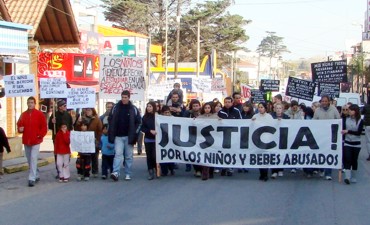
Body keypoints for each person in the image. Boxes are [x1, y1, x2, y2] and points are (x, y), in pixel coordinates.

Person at [109, 90, 141, 181]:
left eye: (125, 97)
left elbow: (139, 122)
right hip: (118, 136)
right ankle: (115, 172)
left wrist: (135, 133)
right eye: (122, 97)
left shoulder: (133, 109)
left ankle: (128, 173)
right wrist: (111, 131)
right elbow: (110, 119)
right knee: (118, 155)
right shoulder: (115, 108)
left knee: (128, 156)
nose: (123, 99)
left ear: (129, 98)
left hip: (129, 136)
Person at [17, 97, 48, 187]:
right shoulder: (23, 115)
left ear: (35, 104)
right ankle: (36, 174)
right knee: (29, 159)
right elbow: (19, 125)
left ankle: (31, 178)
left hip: (36, 140)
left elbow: (44, 127)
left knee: (33, 158)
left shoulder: (39, 114)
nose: (30, 104)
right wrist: (20, 129)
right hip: (27, 140)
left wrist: (40, 135)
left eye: (32, 102)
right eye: (29, 102)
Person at [313, 95, 341, 180]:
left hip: (331, 136)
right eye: (323, 101)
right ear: (321, 102)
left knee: (329, 153)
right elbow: (314, 121)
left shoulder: (334, 109)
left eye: (326, 101)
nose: (324, 103)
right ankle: (321, 169)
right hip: (320, 136)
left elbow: (338, 119)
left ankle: (328, 173)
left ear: (328, 101)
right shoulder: (317, 110)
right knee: (321, 153)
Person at [48, 99, 73, 179]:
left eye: (65, 105)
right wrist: (52, 122)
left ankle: (65, 171)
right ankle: (59, 172)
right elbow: (50, 127)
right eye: (64, 105)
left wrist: (69, 134)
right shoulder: (54, 115)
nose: (65, 107)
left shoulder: (68, 115)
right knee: (58, 156)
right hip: (57, 138)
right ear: (59, 107)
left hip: (65, 138)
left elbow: (71, 126)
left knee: (66, 155)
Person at [75, 108, 102, 177]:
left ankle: (95, 171)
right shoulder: (82, 119)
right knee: (84, 157)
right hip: (84, 141)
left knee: (94, 156)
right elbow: (77, 129)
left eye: (89, 110)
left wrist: (98, 139)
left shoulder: (96, 119)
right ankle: (84, 171)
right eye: (87, 110)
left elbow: (100, 130)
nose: (88, 111)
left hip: (93, 140)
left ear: (93, 111)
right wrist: (78, 123)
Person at [218, 96, 242, 176]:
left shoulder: (236, 111)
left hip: (233, 135)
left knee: (231, 151)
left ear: (232, 103)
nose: (227, 104)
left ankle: (230, 168)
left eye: (229, 102)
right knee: (223, 151)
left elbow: (241, 122)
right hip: (223, 135)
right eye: (226, 102)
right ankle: (224, 167)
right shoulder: (220, 112)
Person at [342, 104, 363, 184]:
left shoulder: (360, 121)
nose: (349, 111)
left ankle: (353, 176)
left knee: (354, 160)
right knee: (347, 158)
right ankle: (347, 177)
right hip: (347, 142)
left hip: (356, 143)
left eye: (350, 110)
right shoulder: (346, 119)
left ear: (355, 111)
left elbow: (358, 132)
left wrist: (348, 131)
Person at [252, 102, 274, 181]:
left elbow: (272, 126)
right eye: (259, 107)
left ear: (265, 108)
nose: (260, 109)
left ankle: (265, 174)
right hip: (257, 139)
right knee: (259, 156)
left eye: (262, 107)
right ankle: (261, 173)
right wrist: (252, 121)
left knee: (265, 157)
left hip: (266, 139)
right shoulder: (255, 116)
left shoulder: (269, 117)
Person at [197, 102, 219, 180]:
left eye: (208, 108)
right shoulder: (199, 117)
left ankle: (211, 171)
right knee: (204, 155)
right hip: (202, 139)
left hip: (212, 139)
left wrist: (221, 121)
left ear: (211, 108)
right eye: (205, 108)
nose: (207, 109)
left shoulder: (215, 117)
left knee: (211, 155)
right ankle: (205, 172)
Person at [270, 102, 290, 179]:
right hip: (273, 138)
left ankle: (281, 169)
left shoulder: (286, 117)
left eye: (280, 108)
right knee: (273, 154)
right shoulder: (271, 117)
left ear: (283, 109)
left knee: (281, 154)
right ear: (274, 109)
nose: (278, 110)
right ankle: (274, 171)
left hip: (283, 138)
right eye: (277, 108)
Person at [184, 99, 202, 175]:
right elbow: (183, 121)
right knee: (194, 153)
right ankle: (197, 170)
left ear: (199, 106)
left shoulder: (202, 113)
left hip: (201, 136)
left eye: (196, 106)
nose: (195, 107)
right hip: (191, 136)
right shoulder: (188, 114)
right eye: (194, 106)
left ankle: (201, 169)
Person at [141, 101, 158, 180]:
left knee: (154, 156)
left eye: (150, 106)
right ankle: (150, 171)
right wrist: (150, 131)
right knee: (149, 156)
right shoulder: (144, 117)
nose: (148, 108)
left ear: (153, 107)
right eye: (147, 106)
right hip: (148, 139)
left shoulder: (157, 116)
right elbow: (143, 128)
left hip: (156, 140)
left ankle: (156, 168)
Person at [159, 105, 175, 176]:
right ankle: (164, 171)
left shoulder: (173, 118)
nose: (167, 114)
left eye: (168, 112)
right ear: (162, 113)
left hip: (171, 140)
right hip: (162, 139)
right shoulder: (159, 119)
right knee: (162, 155)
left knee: (170, 154)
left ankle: (171, 169)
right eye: (165, 113)